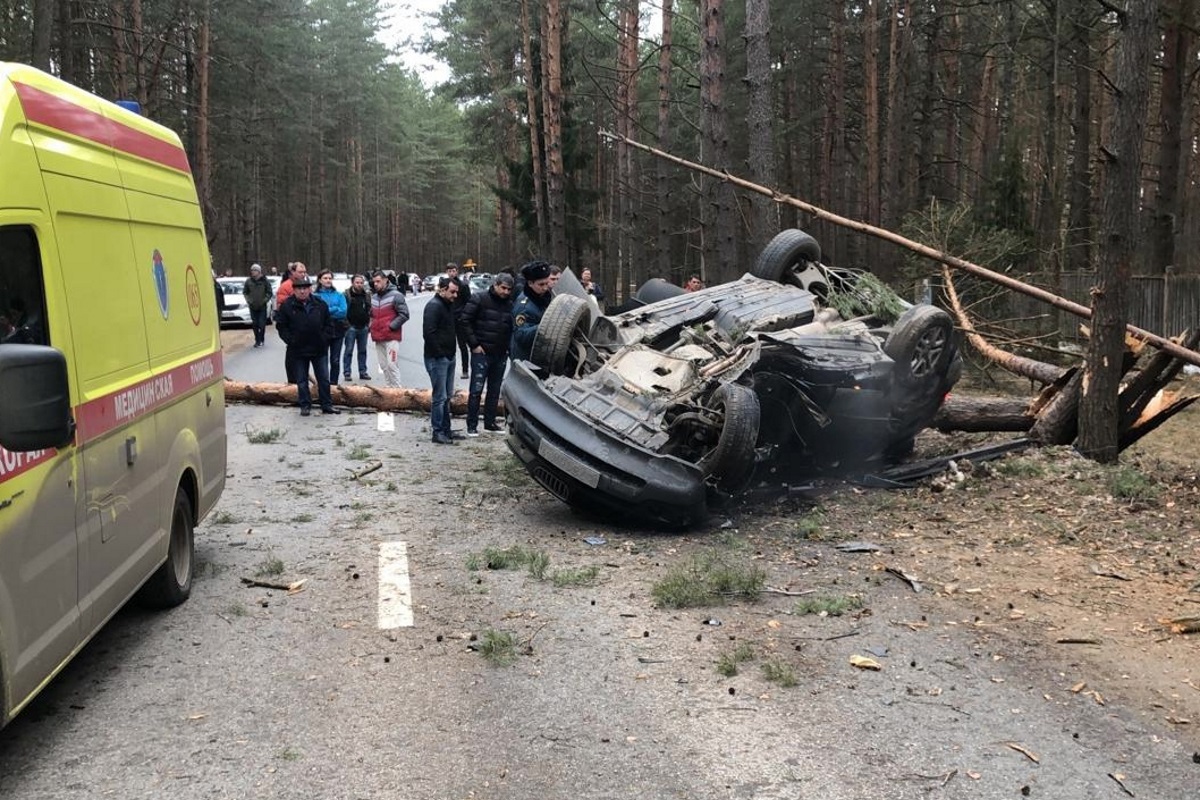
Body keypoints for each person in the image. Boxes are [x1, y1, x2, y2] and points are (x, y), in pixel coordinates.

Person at [275, 275, 338, 416]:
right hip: (298, 349)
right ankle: (305, 405)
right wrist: (291, 340)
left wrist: (325, 338)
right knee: (301, 380)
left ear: (310, 289)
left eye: (305, 288)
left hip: (319, 348)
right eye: (299, 289)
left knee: (323, 379)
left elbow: (329, 323)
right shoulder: (287, 305)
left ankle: (327, 405)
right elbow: (281, 326)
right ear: (294, 290)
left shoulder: (320, 304)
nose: (302, 291)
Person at [461, 273, 515, 436]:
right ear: (496, 285)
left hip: (500, 353)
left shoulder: (510, 305)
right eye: (503, 288)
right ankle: (472, 424)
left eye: (509, 289)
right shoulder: (479, 298)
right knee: (476, 389)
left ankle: (490, 422)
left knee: (494, 389)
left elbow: (511, 328)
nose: (505, 292)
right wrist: (474, 344)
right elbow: (465, 320)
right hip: (482, 352)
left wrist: (508, 349)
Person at [423, 276, 460, 444]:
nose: (455, 295)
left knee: (447, 396)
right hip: (437, 358)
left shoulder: (448, 305)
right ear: (442, 289)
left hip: (449, 356)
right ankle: (437, 431)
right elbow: (428, 333)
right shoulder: (433, 307)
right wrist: (440, 354)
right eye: (452, 292)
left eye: (456, 292)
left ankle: (446, 429)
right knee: (440, 396)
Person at [369, 270, 410, 387]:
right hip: (378, 336)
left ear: (385, 280)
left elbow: (404, 314)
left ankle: (397, 390)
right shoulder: (374, 297)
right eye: (374, 282)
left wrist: (391, 326)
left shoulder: (396, 295)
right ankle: (388, 390)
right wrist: (370, 327)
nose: (376, 284)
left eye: (378, 281)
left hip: (391, 336)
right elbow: (372, 315)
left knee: (392, 364)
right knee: (383, 366)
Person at [510, 260, 554, 362]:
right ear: (530, 283)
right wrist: (545, 325)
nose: (545, 288)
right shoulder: (523, 306)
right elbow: (520, 335)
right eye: (541, 284)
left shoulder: (544, 297)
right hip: (526, 359)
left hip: (540, 354)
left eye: (547, 283)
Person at [314, 269, 349, 385]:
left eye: (330, 278)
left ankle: (333, 384)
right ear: (320, 280)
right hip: (322, 330)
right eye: (325, 278)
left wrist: (328, 310)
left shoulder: (339, 295)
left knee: (335, 360)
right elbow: (317, 312)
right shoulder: (316, 296)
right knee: (322, 359)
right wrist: (334, 309)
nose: (328, 280)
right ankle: (323, 384)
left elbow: (343, 311)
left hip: (338, 330)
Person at [444, 262, 472, 378]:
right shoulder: (444, 285)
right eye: (449, 271)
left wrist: (463, 315)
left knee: (463, 346)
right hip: (448, 319)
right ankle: (447, 369)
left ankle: (465, 370)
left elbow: (469, 303)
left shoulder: (463, 285)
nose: (451, 273)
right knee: (448, 345)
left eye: (453, 271)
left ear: (457, 271)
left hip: (460, 319)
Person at [342, 273, 372, 381]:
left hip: (363, 327)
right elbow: (343, 311)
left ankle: (363, 372)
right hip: (351, 327)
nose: (359, 285)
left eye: (361, 283)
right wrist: (347, 325)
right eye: (357, 282)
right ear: (353, 283)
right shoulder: (346, 295)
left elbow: (370, 309)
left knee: (362, 351)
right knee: (348, 350)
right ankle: (347, 372)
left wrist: (369, 324)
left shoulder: (366, 295)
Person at [241, 263, 272, 347]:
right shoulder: (248, 281)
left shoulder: (264, 281)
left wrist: (264, 300)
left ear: (259, 271)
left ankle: (261, 339)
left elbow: (269, 292)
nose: (253, 272)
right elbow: (245, 292)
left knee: (262, 324)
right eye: (252, 270)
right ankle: (257, 340)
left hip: (262, 306)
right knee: (255, 324)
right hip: (252, 306)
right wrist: (249, 300)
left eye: (255, 270)